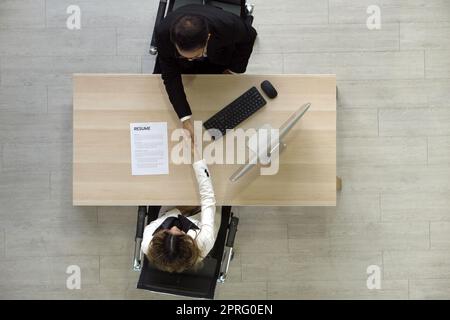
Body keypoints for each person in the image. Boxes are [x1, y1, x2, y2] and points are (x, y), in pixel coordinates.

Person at [153, 4, 257, 139]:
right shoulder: (163, 32)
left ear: (208, 38)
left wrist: (233, 70)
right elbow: (170, 75)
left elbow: (250, 36)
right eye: (184, 55)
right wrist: (185, 118)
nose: (190, 60)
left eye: (195, 56)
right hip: (179, 64)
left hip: (217, 56)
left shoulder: (228, 26)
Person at [141, 141, 216, 273]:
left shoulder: (148, 243)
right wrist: (198, 160)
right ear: (188, 243)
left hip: (171, 211)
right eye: (180, 233)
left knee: (174, 176)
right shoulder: (204, 242)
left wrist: (181, 210)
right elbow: (208, 200)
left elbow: (167, 217)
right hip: (200, 216)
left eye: (168, 231)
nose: (175, 228)